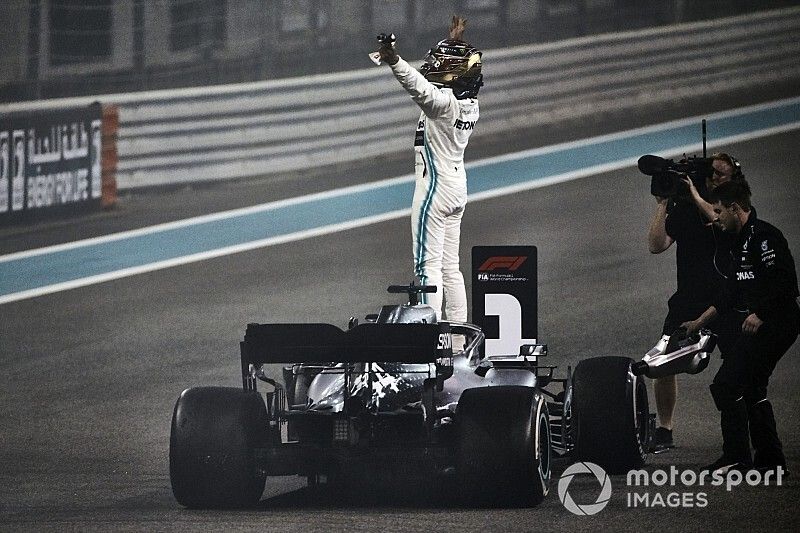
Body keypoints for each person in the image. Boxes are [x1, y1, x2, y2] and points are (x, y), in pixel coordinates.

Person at [682, 180, 800, 474]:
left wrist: (760, 313)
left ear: (736, 208)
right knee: (752, 387)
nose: (717, 217)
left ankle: (736, 456)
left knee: (726, 384)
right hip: (768, 324)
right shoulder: (739, 242)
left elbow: (787, 283)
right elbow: (730, 294)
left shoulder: (765, 237)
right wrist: (699, 322)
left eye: (720, 211)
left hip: (779, 322)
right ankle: (771, 462)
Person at [377, 16, 482, 322]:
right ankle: (459, 339)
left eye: (443, 61)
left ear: (453, 72)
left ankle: (429, 341)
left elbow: (419, 88)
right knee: (451, 268)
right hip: (457, 187)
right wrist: (456, 41)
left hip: (434, 191)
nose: (435, 64)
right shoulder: (471, 103)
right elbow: (454, 75)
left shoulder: (444, 105)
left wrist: (394, 60)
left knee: (427, 268)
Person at [646, 153, 743, 451]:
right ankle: (665, 429)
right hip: (688, 299)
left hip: (727, 298)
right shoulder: (685, 209)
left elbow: (720, 222)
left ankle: (744, 433)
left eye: (720, 175)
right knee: (661, 364)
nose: (714, 178)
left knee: (738, 366)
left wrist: (696, 195)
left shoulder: (733, 209)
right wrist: (663, 204)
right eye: (711, 173)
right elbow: (656, 245)